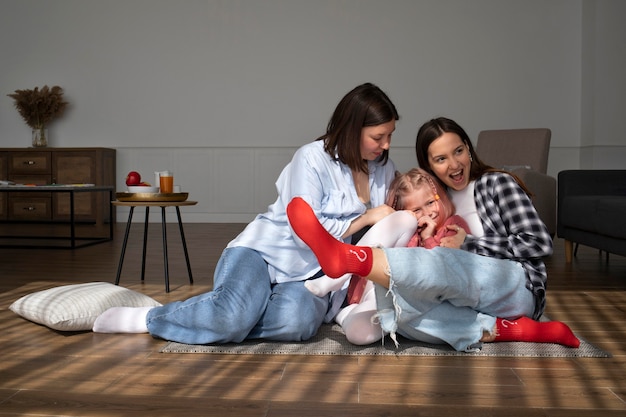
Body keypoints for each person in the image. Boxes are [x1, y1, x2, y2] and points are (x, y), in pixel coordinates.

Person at [92, 82, 399, 344]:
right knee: (231, 317)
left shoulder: (384, 169)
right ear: (351, 129)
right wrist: (366, 217)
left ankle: (222, 315)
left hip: (313, 277)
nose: (385, 145)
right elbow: (303, 229)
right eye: (378, 137)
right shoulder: (311, 158)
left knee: (297, 323)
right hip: (264, 254)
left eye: (390, 136)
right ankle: (150, 318)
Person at [285, 117, 580, 352]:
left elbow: (540, 242)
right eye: (440, 159)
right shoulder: (441, 198)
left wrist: (471, 244)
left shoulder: (497, 184)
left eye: (459, 151)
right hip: (461, 296)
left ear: (468, 147)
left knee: (441, 263)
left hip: (512, 287)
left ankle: (350, 259)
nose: (453, 164)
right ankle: (511, 330)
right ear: (429, 167)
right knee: (398, 309)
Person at [304, 168, 470, 345]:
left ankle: (342, 314)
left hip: (406, 301)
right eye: (417, 209)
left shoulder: (453, 226)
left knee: (359, 335)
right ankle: (336, 274)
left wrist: (428, 238)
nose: (428, 213)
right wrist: (413, 224)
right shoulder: (408, 227)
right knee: (405, 220)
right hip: (381, 283)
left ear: (441, 198)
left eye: (430, 202)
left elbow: (447, 271)